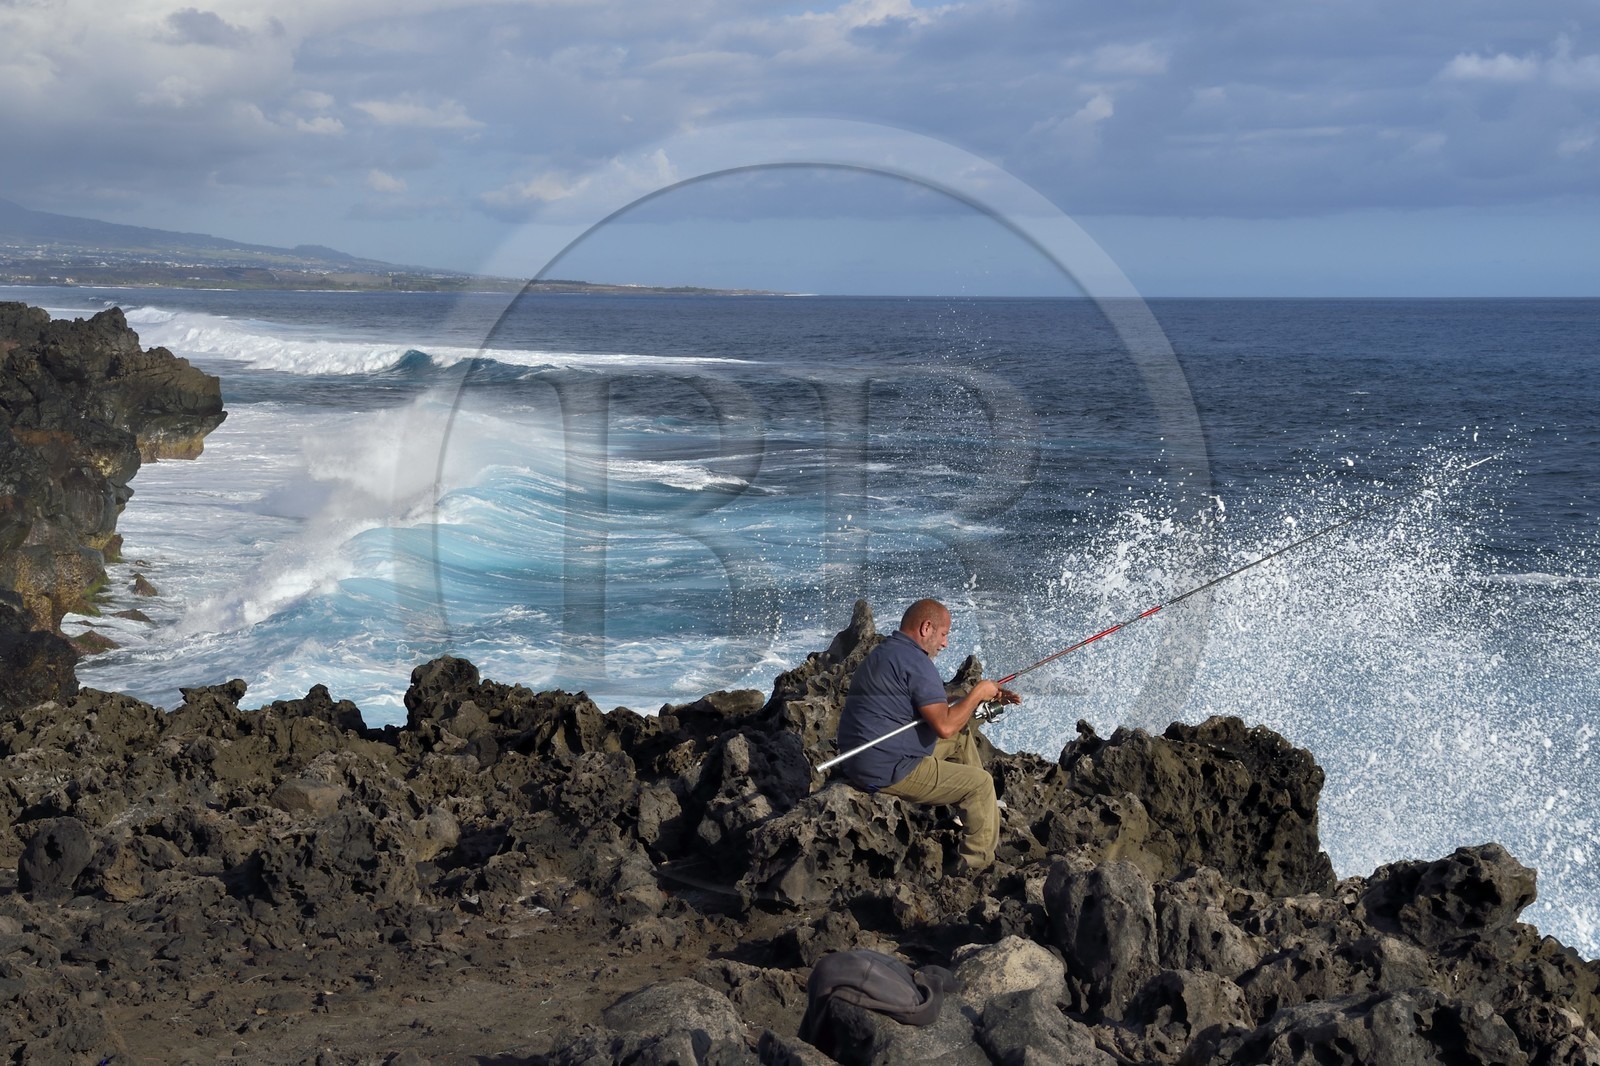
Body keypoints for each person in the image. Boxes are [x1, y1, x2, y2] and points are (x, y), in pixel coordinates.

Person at [834, 598, 1019, 875]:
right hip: (889, 768)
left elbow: (930, 708)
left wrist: (967, 699)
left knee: (960, 737)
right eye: (943, 634)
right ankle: (975, 866)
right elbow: (944, 725)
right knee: (981, 784)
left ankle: (973, 814)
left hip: (861, 759)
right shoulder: (918, 664)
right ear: (926, 627)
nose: (944, 644)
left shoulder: (886, 653)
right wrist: (978, 692)